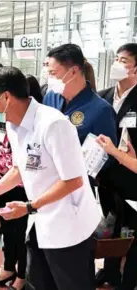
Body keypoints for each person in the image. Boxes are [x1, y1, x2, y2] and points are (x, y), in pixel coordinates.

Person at [0, 66, 100, 290]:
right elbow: (18, 170)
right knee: (38, 280)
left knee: (71, 282)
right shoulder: (13, 124)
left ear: (6, 97)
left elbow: (73, 180)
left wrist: (28, 207)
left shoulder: (53, 124)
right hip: (42, 218)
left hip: (68, 223)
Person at [95, 43, 137, 290]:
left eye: (123, 61)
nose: (117, 65)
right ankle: (109, 271)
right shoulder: (103, 96)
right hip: (107, 177)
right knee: (111, 226)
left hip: (132, 179)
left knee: (132, 232)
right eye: (116, 59)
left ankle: (129, 280)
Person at [43, 43, 117, 145]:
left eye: (53, 73)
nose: (49, 78)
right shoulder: (50, 98)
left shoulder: (101, 110)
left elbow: (107, 155)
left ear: (73, 71)